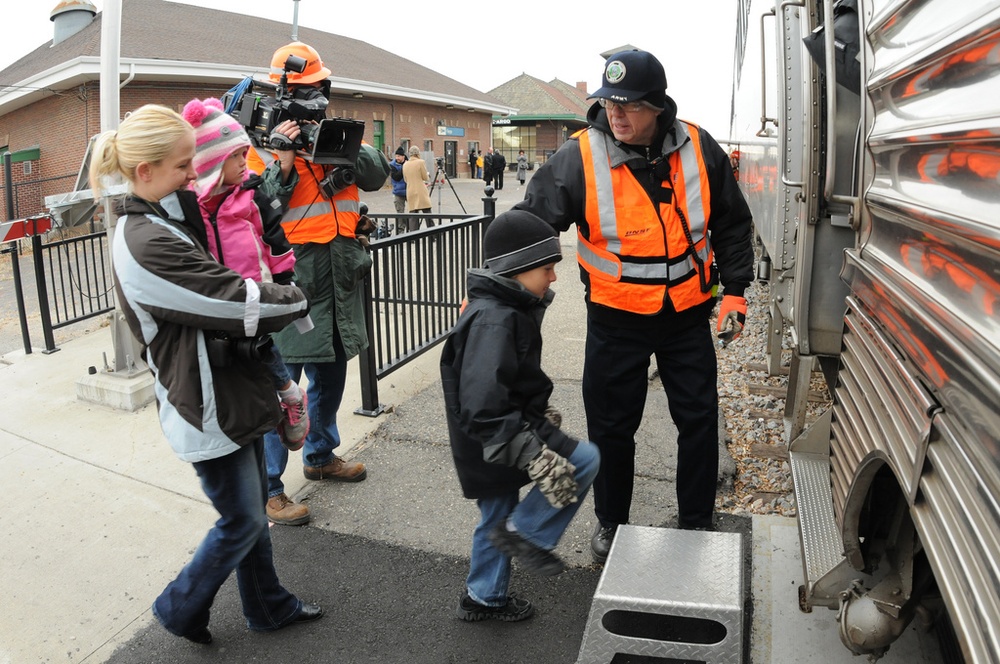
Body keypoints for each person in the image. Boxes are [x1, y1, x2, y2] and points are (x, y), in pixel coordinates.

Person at [89, 104, 322, 643]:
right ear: (143, 171)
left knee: (246, 517)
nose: (194, 174)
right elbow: (231, 299)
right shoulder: (145, 241)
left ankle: (267, 605)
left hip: (220, 392)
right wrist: (293, 298)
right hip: (202, 402)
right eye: (182, 165)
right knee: (240, 520)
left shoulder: (163, 220)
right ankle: (179, 607)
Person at [513, 49, 754, 562]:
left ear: (658, 107)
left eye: (629, 106)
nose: (616, 115)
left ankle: (696, 520)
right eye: (608, 103)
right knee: (612, 429)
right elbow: (529, 224)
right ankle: (612, 525)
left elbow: (732, 222)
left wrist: (735, 289)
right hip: (615, 320)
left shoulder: (698, 147)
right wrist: (498, 289)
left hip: (686, 316)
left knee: (698, 420)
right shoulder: (580, 156)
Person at [245, 41, 391, 526]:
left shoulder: (337, 137)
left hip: (339, 278)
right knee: (284, 391)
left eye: (318, 90)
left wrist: (344, 148)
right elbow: (253, 211)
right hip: (294, 284)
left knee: (330, 378)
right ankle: (269, 489)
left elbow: (375, 175)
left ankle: (321, 456)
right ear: (282, 91)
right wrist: (282, 163)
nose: (313, 100)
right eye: (304, 91)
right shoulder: (258, 148)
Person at [441, 209, 600, 622]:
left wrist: (536, 408)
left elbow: (502, 382)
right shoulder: (496, 319)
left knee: (496, 512)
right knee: (584, 460)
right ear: (518, 269)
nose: (553, 277)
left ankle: (483, 596)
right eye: (547, 267)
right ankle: (525, 534)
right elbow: (483, 404)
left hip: (502, 431)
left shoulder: (507, 306)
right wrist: (534, 454)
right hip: (496, 437)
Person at [181, 96, 309, 450]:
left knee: (263, 349)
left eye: (243, 153)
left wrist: (284, 281)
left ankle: (291, 397)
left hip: (256, 289)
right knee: (241, 359)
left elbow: (273, 238)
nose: (245, 162)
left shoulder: (250, 194)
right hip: (221, 299)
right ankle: (276, 406)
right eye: (236, 156)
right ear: (211, 163)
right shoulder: (191, 205)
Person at [402, 145, 434, 225]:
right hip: (420, 191)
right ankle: (434, 236)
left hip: (410, 191)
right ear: (418, 153)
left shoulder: (405, 164)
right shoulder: (421, 162)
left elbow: (405, 179)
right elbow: (425, 177)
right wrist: (427, 174)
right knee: (427, 213)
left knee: (413, 216)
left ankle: (414, 235)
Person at [389, 146, 408, 229]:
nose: (397, 158)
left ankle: (412, 229)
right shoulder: (392, 165)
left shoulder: (409, 163)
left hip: (409, 191)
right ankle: (401, 230)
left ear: (403, 156)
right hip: (398, 191)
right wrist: (404, 167)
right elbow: (396, 177)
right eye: (396, 156)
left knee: (413, 212)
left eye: (399, 156)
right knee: (400, 212)